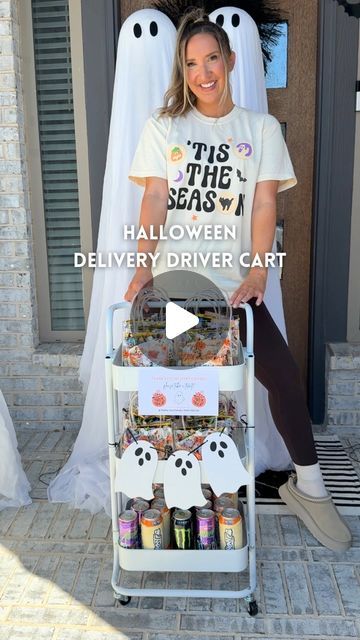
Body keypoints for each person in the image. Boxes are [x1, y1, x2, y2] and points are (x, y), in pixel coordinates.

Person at [125, 8, 352, 552]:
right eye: (191, 64)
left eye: (212, 59)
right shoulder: (165, 127)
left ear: (229, 61)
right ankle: (175, 501)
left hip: (234, 288)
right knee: (184, 396)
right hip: (177, 286)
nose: (204, 73)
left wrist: (257, 269)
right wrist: (141, 263)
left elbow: (264, 204)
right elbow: (155, 197)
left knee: (282, 377)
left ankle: (312, 489)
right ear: (183, 72)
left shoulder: (261, 128)